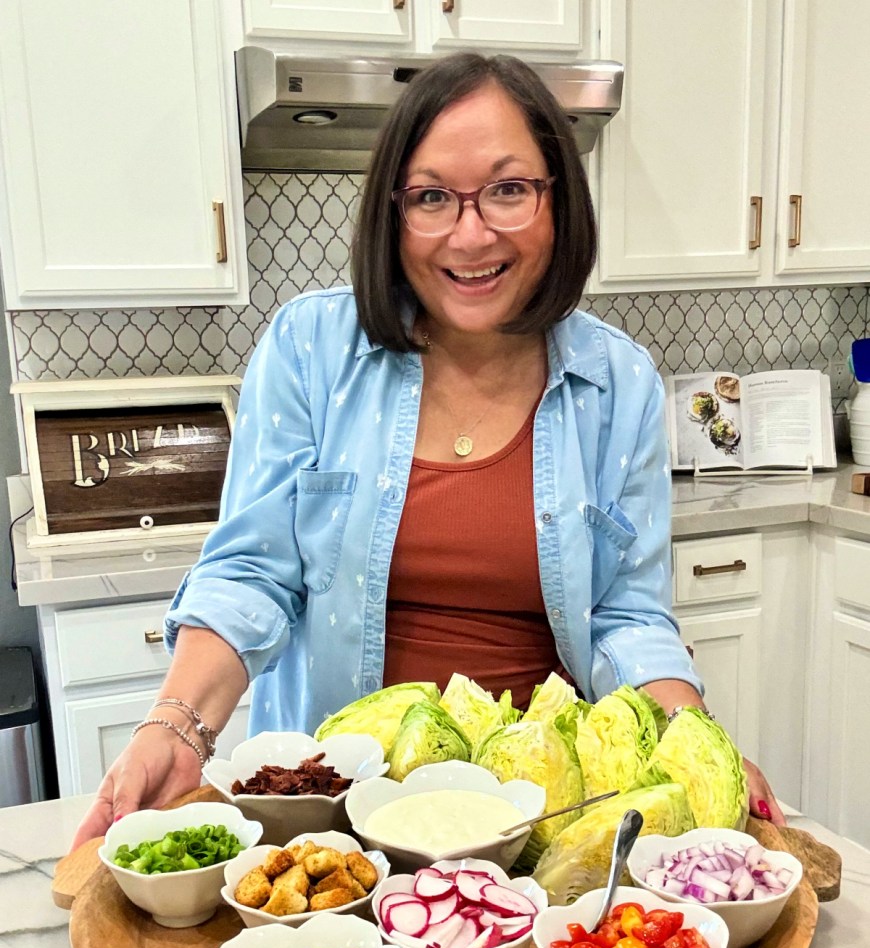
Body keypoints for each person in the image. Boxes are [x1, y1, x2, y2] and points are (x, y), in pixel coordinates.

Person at [71, 53, 782, 849]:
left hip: (540, 819)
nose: (470, 233)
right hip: (335, 809)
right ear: (393, 212)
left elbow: (625, 614)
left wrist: (698, 742)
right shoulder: (312, 348)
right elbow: (251, 574)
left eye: (509, 189)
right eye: (433, 197)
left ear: (559, 201)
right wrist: (177, 727)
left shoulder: (618, 381)